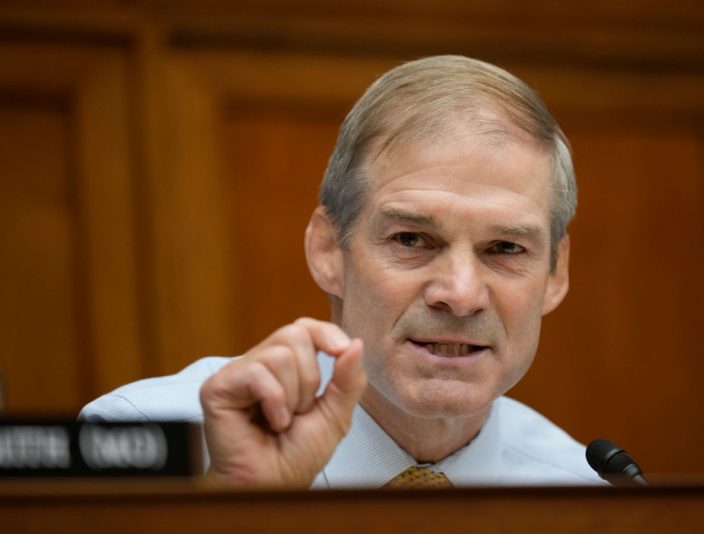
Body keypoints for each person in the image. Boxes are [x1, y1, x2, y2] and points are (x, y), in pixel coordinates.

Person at [80, 55, 602, 488]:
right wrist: (233, 513)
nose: (461, 295)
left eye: (505, 248)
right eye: (412, 240)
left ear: (556, 274)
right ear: (329, 250)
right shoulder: (150, 446)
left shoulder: (591, 495)